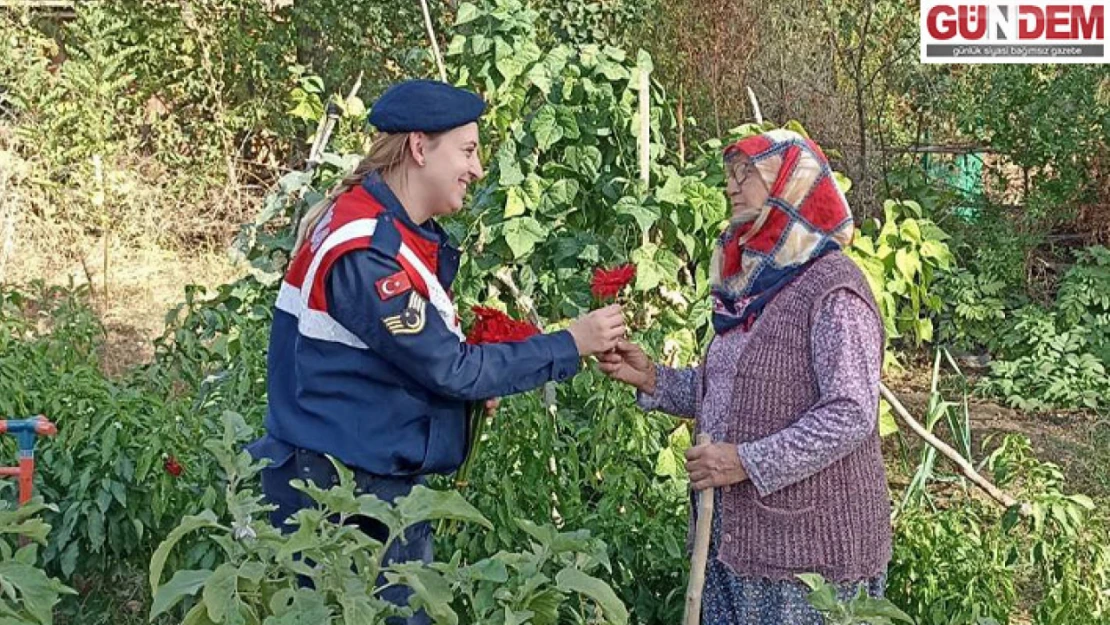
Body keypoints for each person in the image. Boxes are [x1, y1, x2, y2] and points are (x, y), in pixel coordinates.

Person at [247, 80, 625, 622]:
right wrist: (571, 342)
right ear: (420, 148)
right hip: (340, 502)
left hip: (355, 482)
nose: (476, 169)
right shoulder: (369, 252)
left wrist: (458, 400)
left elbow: (387, 361)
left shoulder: (378, 225)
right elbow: (449, 367)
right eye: (467, 151)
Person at [599, 129, 891, 624]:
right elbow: (740, 396)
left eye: (746, 175)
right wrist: (653, 379)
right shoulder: (752, 287)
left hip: (806, 563)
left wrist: (747, 462)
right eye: (729, 176)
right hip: (735, 544)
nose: (732, 188)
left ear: (790, 185)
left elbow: (851, 412)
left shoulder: (833, 290)